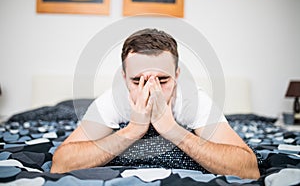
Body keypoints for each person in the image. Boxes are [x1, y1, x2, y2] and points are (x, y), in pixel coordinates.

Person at [51, 28, 260, 179]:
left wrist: (172, 129)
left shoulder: (193, 100)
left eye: (162, 80)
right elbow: (61, 163)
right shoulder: (112, 100)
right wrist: (133, 130)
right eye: (137, 81)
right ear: (124, 78)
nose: (151, 89)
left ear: (177, 75)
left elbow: (248, 169)